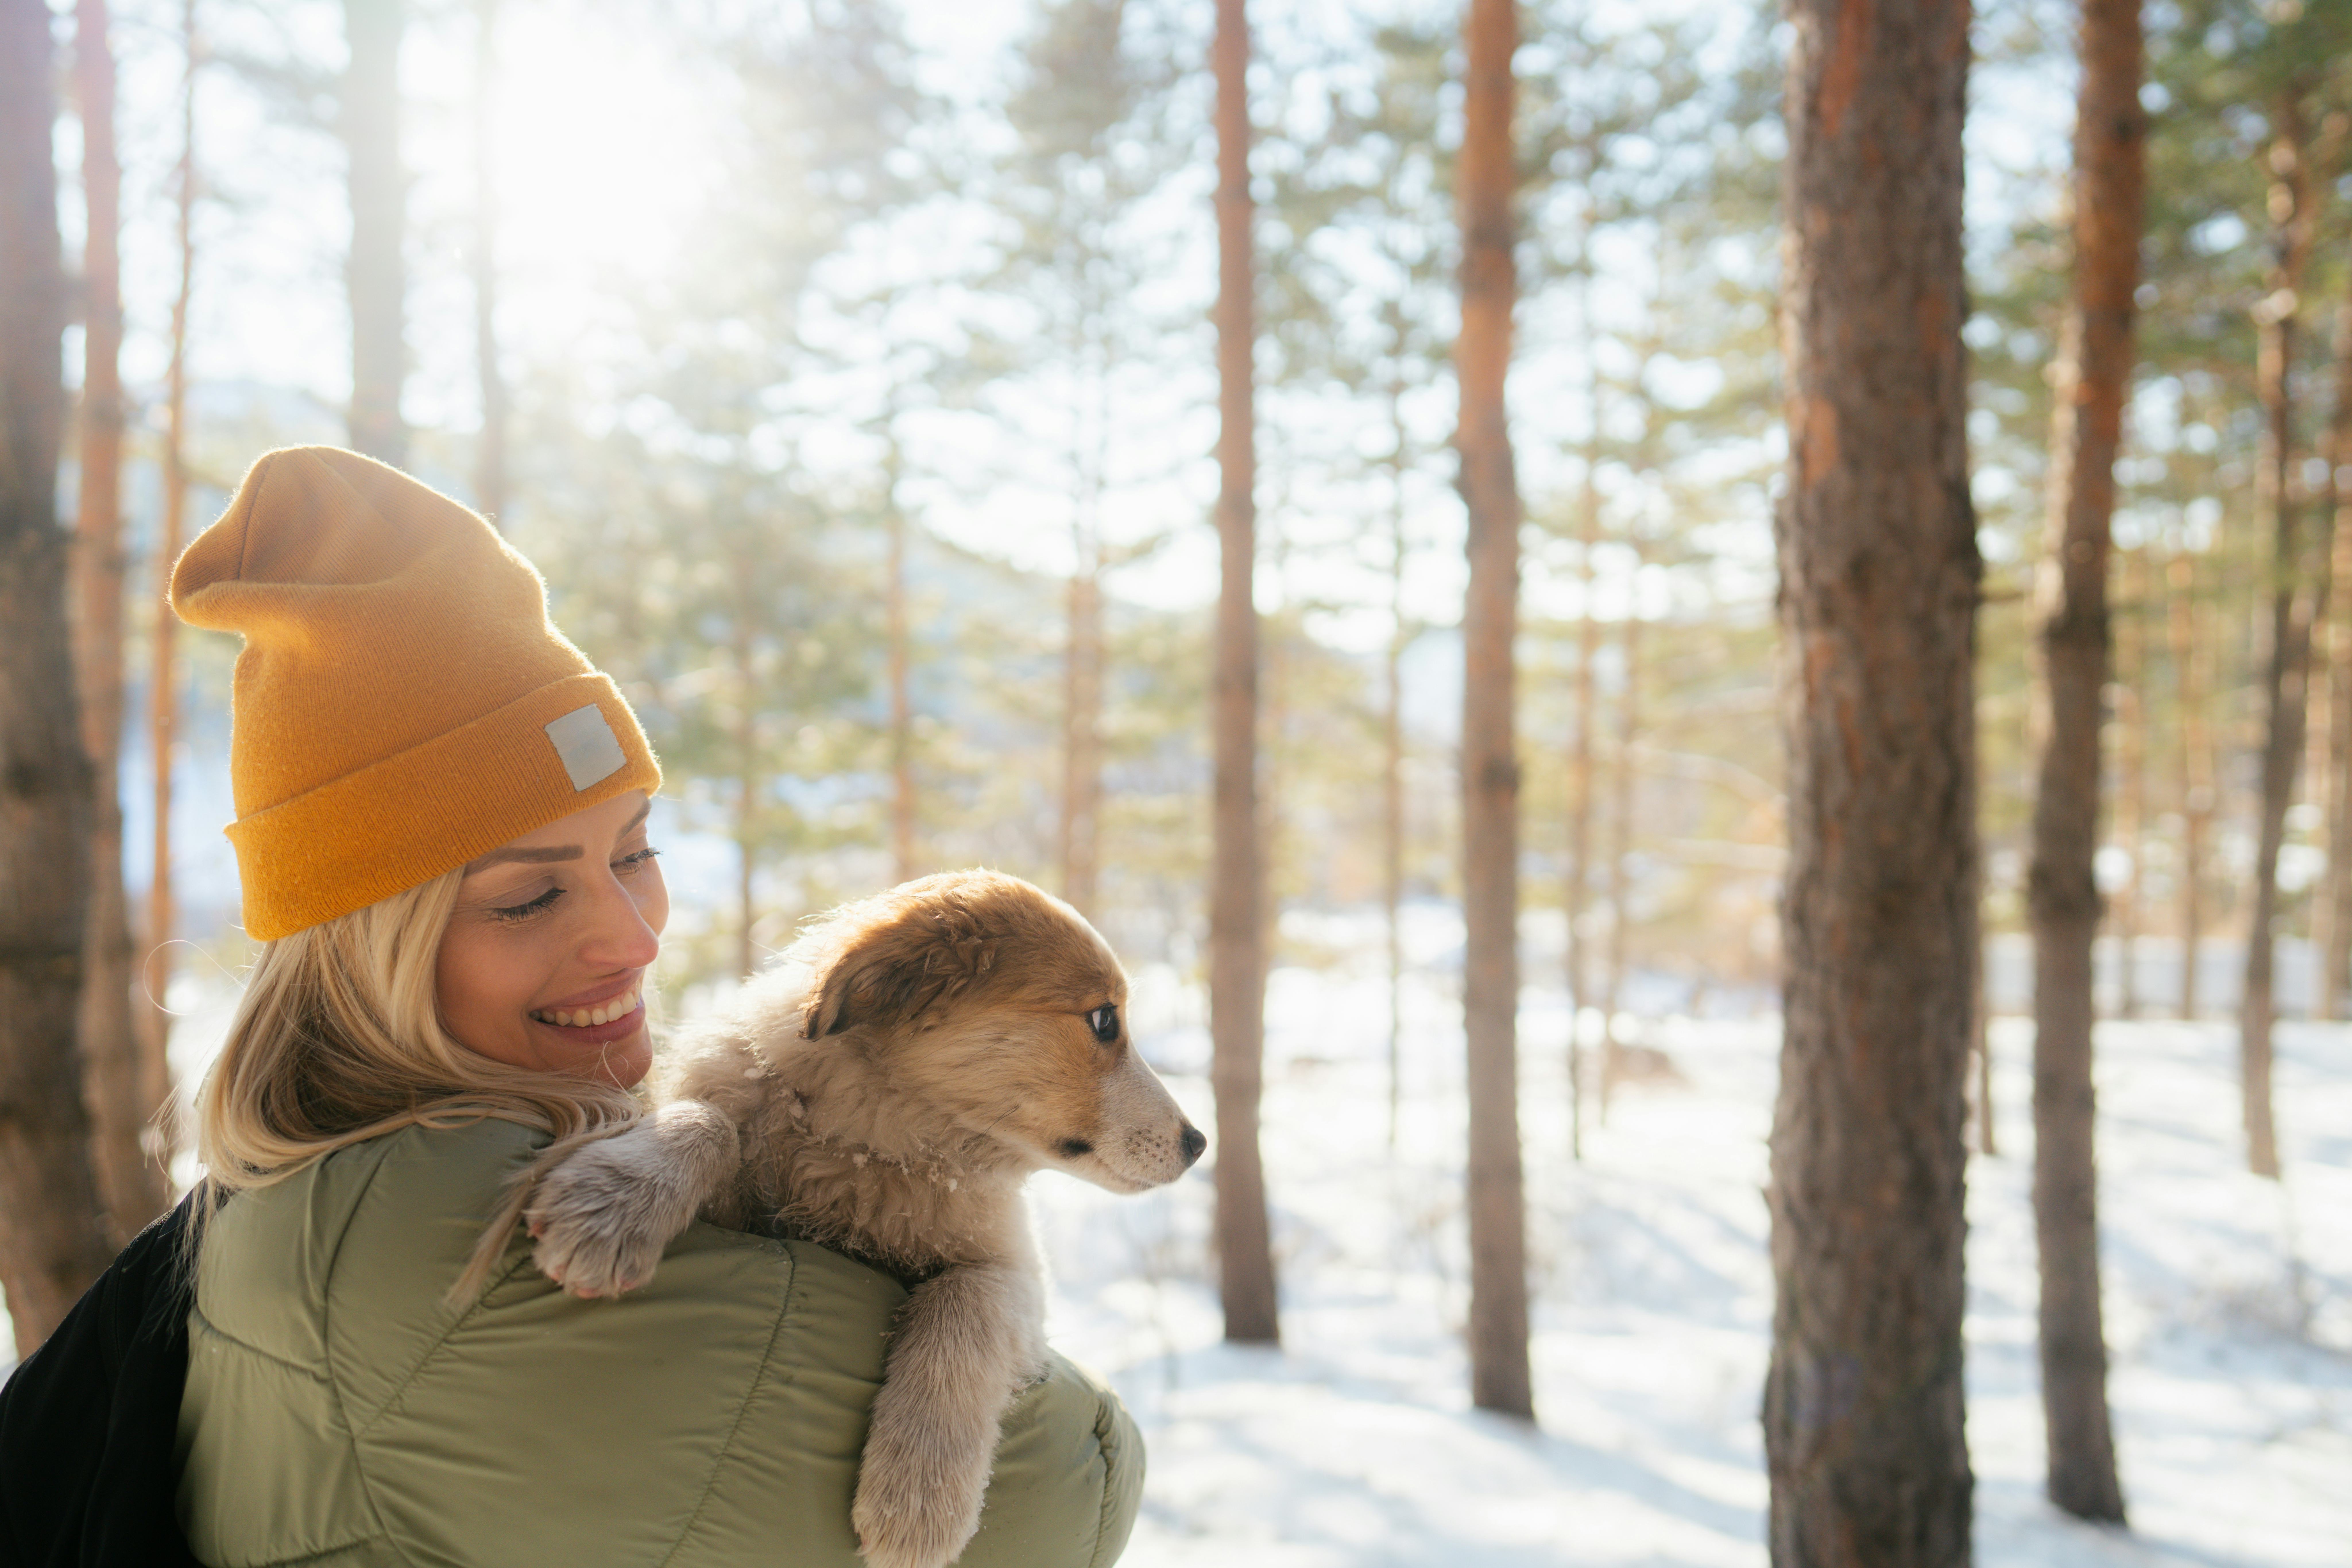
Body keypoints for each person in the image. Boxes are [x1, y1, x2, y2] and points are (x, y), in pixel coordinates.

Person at [0, 447, 1141, 1568]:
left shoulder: (297, 1191)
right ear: (364, 951)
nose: (635, 936)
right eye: (528, 895)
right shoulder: (460, 1243)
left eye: (635, 851)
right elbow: (1064, 1482)